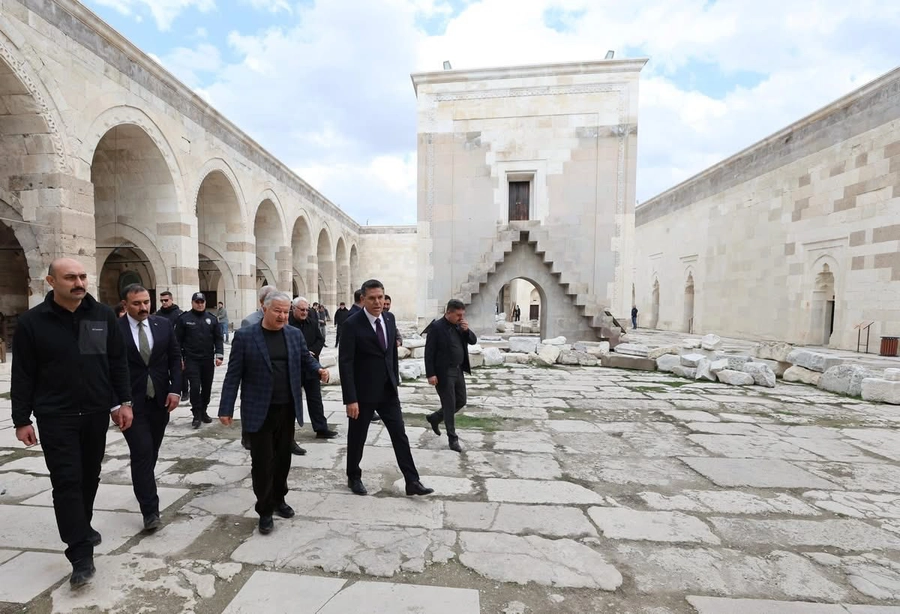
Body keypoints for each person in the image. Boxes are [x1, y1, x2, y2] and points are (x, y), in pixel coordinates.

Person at [11, 258, 133, 588]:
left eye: (82, 276)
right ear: (51, 281)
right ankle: (79, 554)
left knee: (89, 477)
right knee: (66, 482)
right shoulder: (32, 323)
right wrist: (21, 419)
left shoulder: (102, 315)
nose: (79, 283)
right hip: (56, 417)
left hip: (95, 413)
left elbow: (117, 362)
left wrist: (124, 402)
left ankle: (82, 526)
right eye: (70, 277)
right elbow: (22, 374)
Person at [218, 291, 329, 535]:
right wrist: (226, 408)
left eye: (286, 312)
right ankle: (265, 510)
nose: (282, 316)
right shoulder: (246, 336)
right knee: (262, 462)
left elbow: (305, 359)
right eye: (277, 311)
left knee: (283, 459)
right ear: (264, 309)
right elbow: (233, 375)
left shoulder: (293, 334)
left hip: (287, 408)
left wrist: (318, 369)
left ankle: (279, 498)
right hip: (259, 409)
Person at [339, 279, 432, 497]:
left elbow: (390, 354)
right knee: (357, 437)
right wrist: (350, 399)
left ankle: (412, 480)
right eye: (372, 298)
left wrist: (395, 381)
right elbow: (345, 363)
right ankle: (354, 476)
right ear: (363, 299)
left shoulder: (389, 319)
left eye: (380, 297)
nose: (377, 302)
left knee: (400, 435)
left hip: (388, 391)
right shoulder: (352, 325)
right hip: (363, 393)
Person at [119, 284, 182, 531]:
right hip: (130, 404)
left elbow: (175, 358)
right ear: (125, 305)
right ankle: (150, 511)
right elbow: (107, 367)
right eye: (136, 303)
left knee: (151, 451)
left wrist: (175, 389)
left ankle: (143, 483)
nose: (143, 307)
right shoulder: (115, 329)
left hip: (159, 401)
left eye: (146, 302)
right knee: (142, 452)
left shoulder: (163, 325)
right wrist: (116, 404)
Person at [424, 300, 477, 453]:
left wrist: (467, 331)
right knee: (449, 404)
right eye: (458, 315)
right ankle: (452, 438)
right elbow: (429, 352)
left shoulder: (460, 326)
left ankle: (435, 417)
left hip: (458, 370)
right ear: (449, 312)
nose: (461, 318)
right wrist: (431, 374)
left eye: (462, 315)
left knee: (461, 400)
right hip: (444, 372)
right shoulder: (436, 327)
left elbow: (473, 341)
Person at [289, 298, 338, 445]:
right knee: (291, 401)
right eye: (302, 310)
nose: (305, 312)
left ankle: (321, 428)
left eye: (307, 309)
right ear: (293, 309)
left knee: (315, 399)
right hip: (294, 368)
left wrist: (312, 352)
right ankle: (288, 435)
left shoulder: (311, 322)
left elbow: (320, 339)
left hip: (311, 367)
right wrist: (303, 352)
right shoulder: (288, 324)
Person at [176, 292, 224, 428]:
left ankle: (203, 410)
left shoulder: (212, 319)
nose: (200, 304)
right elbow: (177, 340)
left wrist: (219, 354)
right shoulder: (184, 319)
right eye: (197, 302)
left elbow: (218, 338)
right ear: (192, 303)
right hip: (191, 359)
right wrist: (179, 358)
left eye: (202, 302)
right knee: (195, 386)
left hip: (207, 359)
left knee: (207, 387)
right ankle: (196, 413)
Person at [156, 291, 187, 400]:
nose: (164, 302)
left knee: (180, 370)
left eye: (166, 300)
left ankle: (184, 391)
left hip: (177, 346)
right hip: (162, 347)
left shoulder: (179, 314)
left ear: (171, 299)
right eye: (162, 301)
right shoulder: (158, 315)